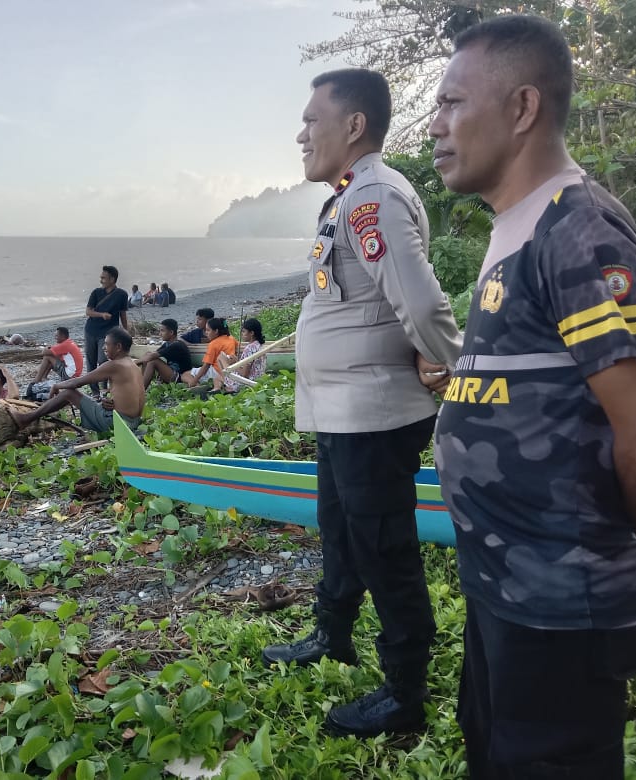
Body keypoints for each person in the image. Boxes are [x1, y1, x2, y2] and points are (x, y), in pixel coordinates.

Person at [429, 16, 636, 777]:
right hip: (505, 585)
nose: (435, 126)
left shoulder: (580, 232)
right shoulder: (515, 228)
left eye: (451, 104)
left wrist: (627, 530)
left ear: (523, 107)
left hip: (562, 599)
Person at [259, 68, 462, 740]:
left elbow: (420, 297)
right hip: (342, 415)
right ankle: (332, 635)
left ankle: (406, 696)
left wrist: (450, 365)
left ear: (353, 126)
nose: (301, 133)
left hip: (376, 417)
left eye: (312, 120)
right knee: (342, 533)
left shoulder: (373, 196)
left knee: (387, 553)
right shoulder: (348, 195)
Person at [9, 327, 145, 433]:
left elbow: (78, 382)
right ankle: (36, 414)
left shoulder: (115, 365)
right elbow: (126, 394)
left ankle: (25, 419)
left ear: (118, 347)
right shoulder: (133, 365)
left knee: (69, 393)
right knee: (77, 395)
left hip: (118, 424)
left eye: (107, 344)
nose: (104, 348)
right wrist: (110, 401)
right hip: (134, 422)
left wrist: (56, 386)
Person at [84, 265, 130, 395]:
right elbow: (88, 311)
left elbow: (123, 314)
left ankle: (104, 389)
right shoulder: (96, 292)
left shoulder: (122, 294)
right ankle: (95, 393)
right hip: (91, 330)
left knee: (103, 360)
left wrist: (125, 332)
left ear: (112, 279)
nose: (101, 280)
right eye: (101, 277)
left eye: (103, 278)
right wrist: (102, 314)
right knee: (90, 362)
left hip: (108, 334)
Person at [181, 317, 237, 388]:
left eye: (208, 330)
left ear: (216, 331)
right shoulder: (231, 338)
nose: (206, 333)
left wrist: (195, 380)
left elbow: (206, 365)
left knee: (185, 375)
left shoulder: (213, 344)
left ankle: (196, 386)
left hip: (216, 371)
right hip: (228, 369)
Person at [136, 318, 194, 388]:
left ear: (171, 332)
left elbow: (151, 357)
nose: (160, 334)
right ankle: (141, 384)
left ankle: (141, 391)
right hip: (171, 373)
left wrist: (132, 363)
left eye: (162, 331)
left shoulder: (177, 345)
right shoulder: (167, 344)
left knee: (153, 361)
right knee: (148, 355)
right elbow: (150, 354)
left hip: (180, 377)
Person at [216, 318, 267, 392]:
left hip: (248, 383)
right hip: (259, 379)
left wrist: (235, 362)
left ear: (252, 333)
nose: (242, 334)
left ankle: (229, 387)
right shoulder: (260, 345)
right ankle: (225, 385)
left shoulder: (249, 348)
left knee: (221, 357)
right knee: (222, 363)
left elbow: (244, 374)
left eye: (243, 331)